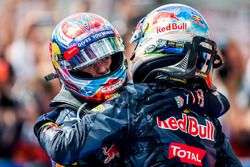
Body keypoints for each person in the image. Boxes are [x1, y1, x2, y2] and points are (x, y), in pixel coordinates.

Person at [34, 9, 239, 167]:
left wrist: (42, 124)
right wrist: (188, 98)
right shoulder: (201, 108)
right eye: (88, 61)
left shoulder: (134, 98)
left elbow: (60, 146)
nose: (103, 67)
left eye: (106, 56)